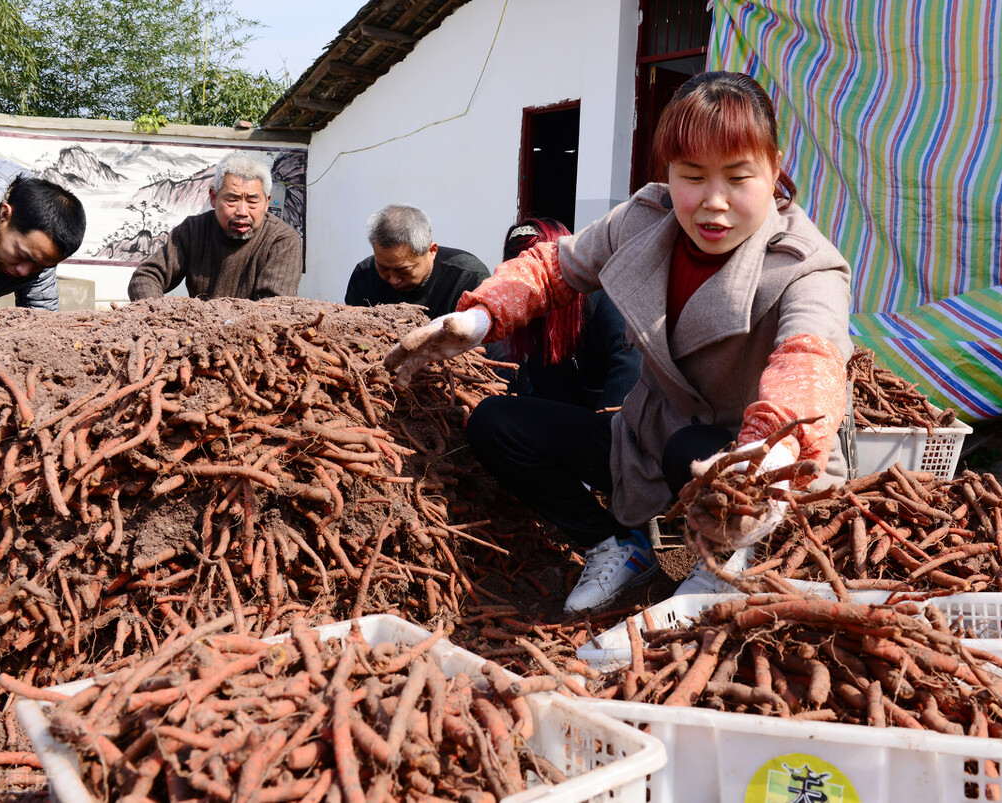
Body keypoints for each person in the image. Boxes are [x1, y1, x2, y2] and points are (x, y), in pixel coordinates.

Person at [385, 72, 852, 613]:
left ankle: (720, 565)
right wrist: (481, 318)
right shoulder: (646, 220)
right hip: (647, 437)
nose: (713, 203)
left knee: (694, 454)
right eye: (693, 176)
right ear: (668, 173)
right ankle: (622, 547)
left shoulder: (805, 264)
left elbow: (809, 359)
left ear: (773, 169)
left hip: (754, 471)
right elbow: (554, 266)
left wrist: (768, 453)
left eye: (738, 177)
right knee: (497, 423)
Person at [500, 217, 641, 411]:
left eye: (536, 275)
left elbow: (631, 362)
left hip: (625, 426)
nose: (529, 288)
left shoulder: (605, 290)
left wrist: (612, 433)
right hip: (585, 425)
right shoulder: (540, 330)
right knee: (500, 412)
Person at [128, 151, 303, 300]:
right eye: (232, 199)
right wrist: (161, 317)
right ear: (213, 197)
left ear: (266, 203)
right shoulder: (193, 231)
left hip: (253, 336)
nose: (242, 211)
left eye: (252, 201)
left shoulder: (283, 240)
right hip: (196, 333)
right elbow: (146, 277)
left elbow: (274, 306)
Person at [0, 157, 86, 311]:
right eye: (21, 255)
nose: (24, 271)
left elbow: (41, 317)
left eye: (40, 266)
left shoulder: (38, 257)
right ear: (4, 214)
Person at [344, 204, 489, 320]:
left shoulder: (468, 278)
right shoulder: (364, 275)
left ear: (431, 251)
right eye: (383, 268)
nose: (393, 280)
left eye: (404, 271)